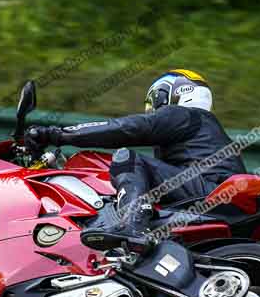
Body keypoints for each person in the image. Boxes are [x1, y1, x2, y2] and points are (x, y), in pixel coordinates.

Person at [24, 69, 246, 252]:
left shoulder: (185, 115)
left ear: (176, 92)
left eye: (155, 98)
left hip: (208, 192)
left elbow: (126, 128)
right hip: (218, 199)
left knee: (127, 158)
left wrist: (55, 134)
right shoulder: (204, 128)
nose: (152, 107)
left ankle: (132, 223)